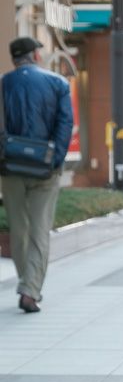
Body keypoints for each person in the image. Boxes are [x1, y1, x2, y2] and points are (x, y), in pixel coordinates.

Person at [0, 37, 72, 313]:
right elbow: (65, 124)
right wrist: (55, 159)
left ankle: (26, 282)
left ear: (14, 59)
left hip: (11, 167)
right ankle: (30, 290)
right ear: (36, 56)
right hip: (45, 167)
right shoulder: (57, 84)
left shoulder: (3, 84)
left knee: (19, 230)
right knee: (40, 230)